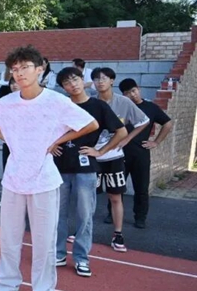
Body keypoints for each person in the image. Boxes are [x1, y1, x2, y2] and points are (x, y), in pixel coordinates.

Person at [0, 45, 98, 291]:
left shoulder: (56, 101)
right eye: (15, 69)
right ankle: (8, 288)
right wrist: (9, 137)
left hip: (44, 181)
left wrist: (57, 140)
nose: (19, 73)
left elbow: (90, 124)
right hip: (13, 179)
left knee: (44, 243)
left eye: (25, 67)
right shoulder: (7, 102)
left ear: (40, 69)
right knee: (9, 240)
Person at [53, 67, 126, 277]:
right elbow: (47, 129)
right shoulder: (61, 106)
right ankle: (58, 253)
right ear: (63, 87)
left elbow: (121, 132)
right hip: (59, 166)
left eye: (75, 79)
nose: (73, 85)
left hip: (86, 168)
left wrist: (100, 151)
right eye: (67, 82)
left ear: (82, 80)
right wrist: (51, 144)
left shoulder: (98, 106)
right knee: (58, 213)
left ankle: (81, 258)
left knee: (84, 215)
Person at [91, 67, 149, 251]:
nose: (100, 82)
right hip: (92, 156)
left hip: (114, 156)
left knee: (115, 196)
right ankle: (82, 230)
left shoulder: (123, 102)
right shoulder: (90, 102)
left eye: (104, 78)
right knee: (87, 196)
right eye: (96, 79)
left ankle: (118, 234)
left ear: (112, 81)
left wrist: (127, 139)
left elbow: (143, 121)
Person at [118, 78, 173, 229]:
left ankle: (140, 217)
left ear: (139, 89)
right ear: (123, 95)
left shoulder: (151, 108)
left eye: (134, 91)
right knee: (117, 187)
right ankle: (112, 214)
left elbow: (167, 123)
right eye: (128, 93)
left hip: (141, 154)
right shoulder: (121, 108)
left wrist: (156, 142)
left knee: (141, 188)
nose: (132, 95)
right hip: (120, 153)